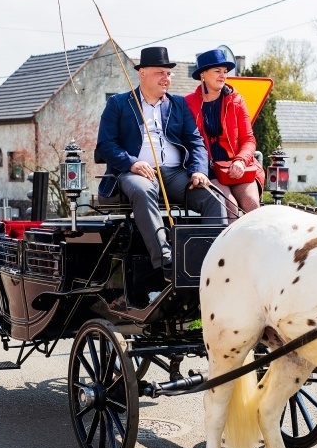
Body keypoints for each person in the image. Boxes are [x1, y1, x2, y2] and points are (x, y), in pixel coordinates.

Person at [96, 46, 225, 278]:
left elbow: (196, 142)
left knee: (213, 197)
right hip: (136, 173)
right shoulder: (118, 104)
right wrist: (132, 163)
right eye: (160, 73)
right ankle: (165, 261)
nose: (166, 79)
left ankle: (212, 262)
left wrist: (198, 170)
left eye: (168, 74)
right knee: (144, 191)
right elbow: (105, 145)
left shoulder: (178, 104)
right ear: (142, 73)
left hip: (176, 173)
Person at [185, 49, 264, 220]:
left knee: (253, 206)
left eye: (225, 72)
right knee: (229, 209)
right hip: (209, 169)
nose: (223, 75)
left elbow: (249, 140)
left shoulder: (237, 100)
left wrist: (241, 161)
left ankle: (255, 247)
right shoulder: (187, 103)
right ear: (203, 75)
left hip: (238, 166)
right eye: (217, 71)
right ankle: (230, 247)